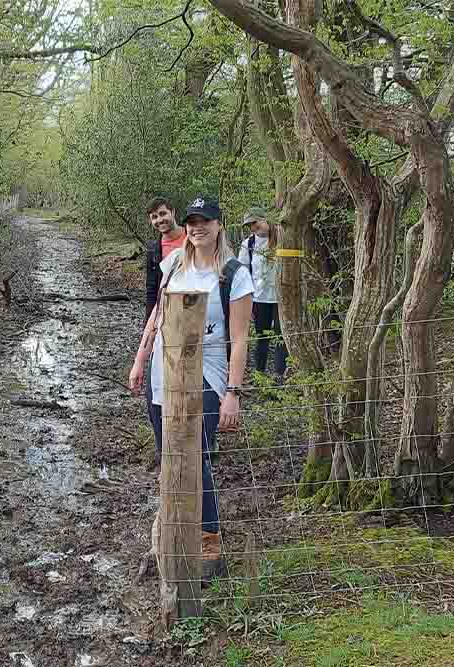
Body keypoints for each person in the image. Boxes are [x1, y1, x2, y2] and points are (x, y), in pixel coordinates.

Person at [129, 196, 254, 580]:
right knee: (168, 452)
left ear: (219, 225)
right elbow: (157, 315)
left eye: (205, 221)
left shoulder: (234, 274)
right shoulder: (173, 264)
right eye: (192, 221)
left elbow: (241, 337)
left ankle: (209, 539)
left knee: (195, 454)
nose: (198, 227)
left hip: (207, 372)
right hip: (162, 371)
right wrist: (140, 357)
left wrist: (233, 391)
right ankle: (173, 528)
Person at [143, 197, 187, 471]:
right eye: (154, 217)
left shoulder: (192, 240)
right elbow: (151, 291)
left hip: (194, 323)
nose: (159, 220)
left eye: (162, 214)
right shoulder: (154, 249)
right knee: (153, 389)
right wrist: (149, 327)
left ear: (173, 212)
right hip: (162, 321)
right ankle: (163, 448)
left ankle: (199, 443)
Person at [238, 206, 288, 379]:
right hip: (259, 298)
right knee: (261, 337)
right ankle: (260, 374)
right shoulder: (248, 244)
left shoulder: (283, 237)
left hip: (282, 297)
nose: (253, 227)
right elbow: (243, 272)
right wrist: (247, 299)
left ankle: (279, 374)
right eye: (249, 225)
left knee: (281, 336)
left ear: (265, 219)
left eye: (255, 222)